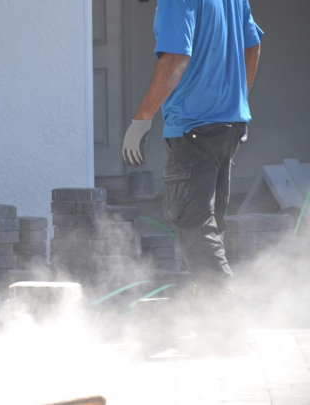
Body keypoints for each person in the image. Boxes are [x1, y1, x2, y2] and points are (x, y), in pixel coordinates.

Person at [121, 0, 263, 342]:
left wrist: (141, 119)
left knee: (193, 224)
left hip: (193, 129)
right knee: (210, 225)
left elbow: (175, 58)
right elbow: (253, 45)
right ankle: (211, 321)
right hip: (228, 125)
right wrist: (239, 101)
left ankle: (230, 324)